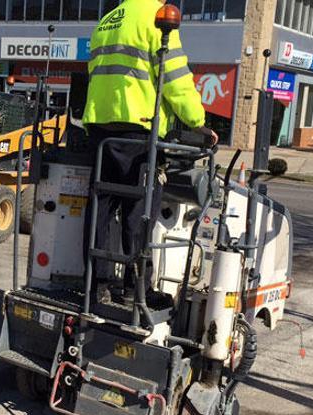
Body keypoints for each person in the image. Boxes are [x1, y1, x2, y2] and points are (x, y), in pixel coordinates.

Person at [82, 0, 218, 304]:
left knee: (100, 211)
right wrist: (198, 123)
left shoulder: (107, 21)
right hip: (139, 130)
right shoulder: (158, 18)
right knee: (139, 213)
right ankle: (136, 291)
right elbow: (175, 78)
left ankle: (95, 287)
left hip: (102, 130)